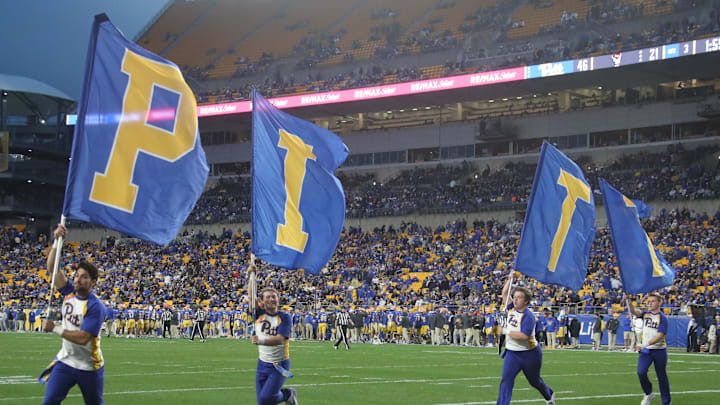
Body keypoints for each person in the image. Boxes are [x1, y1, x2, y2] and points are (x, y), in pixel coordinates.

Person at [41, 223, 107, 405]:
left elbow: (83, 338)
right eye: (77, 275)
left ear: (93, 282)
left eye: (84, 277)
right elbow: (52, 269)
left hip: (89, 366)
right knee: (49, 402)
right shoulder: (69, 292)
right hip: (66, 361)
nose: (78, 279)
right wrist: (56, 241)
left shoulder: (96, 306)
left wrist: (55, 328)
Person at [496, 277, 556, 405]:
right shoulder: (512, 308)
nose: (515, 299)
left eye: (519, 297)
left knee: (534, 381)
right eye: (515, 296)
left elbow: (524, 336)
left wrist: (505, 331)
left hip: (529, 353)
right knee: (506, 380)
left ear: (526, 302)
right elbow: (505, 294)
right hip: (512, 353)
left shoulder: (529, 316)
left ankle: (549, 394)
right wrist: (510, 279)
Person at [248, 263, 298, 405]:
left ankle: (287, 395)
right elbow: (251, 298)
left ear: (278, 299)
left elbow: (281, 339)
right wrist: (252, 276)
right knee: (262, 402)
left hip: (279, 364)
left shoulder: (284, 317)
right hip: (262, 362)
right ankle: (286, 395)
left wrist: (261, 340)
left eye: (274, 297)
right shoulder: (259, 314)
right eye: (268, 297)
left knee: (266, 398)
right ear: (262, 301)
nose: (271, 299)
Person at [626, 293, 671, 405]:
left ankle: (666, 401)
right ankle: (648, 393)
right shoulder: (646, 314)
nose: (649, 303)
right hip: (646, 351)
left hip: (659, 350)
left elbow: (659, 336)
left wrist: (643, 344)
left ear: (659, 303)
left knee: (661, 376)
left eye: (653, 301)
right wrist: (629, 301)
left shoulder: (663, 318)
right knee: (641, 372)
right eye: (648, 301)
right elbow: (634, 311)